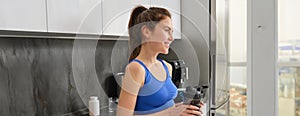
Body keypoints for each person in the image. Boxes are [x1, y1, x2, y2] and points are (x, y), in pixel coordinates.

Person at [117, 5, 203, 116]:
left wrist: (183, 108)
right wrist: (171, 112)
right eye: (167, 30)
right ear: (147, 32)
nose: (171, 38)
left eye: (172, 32)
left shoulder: (167, 67)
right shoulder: (136, 69)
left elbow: (165, 107)